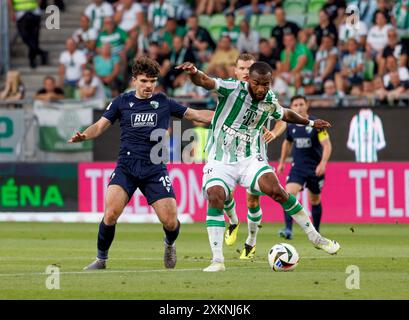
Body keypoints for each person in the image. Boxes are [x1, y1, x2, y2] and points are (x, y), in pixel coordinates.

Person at [176, 61, 341, 272]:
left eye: (266, 84)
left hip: (249, 159)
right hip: (220, 160)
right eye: (257, 83)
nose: (261, 89)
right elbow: (205, 81)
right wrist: (194, 72)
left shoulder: (269, 100)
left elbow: (285, 114)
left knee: (277, 191)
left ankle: (316, 238)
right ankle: (217, 260)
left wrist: (309, 123)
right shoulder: (232, 89)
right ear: (247, 80)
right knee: (215, 195)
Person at [69, 56, 214, 270]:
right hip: (126, 166)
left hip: (154, 168)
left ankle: (169, 243)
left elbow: (198, 115)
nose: (149, 86)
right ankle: (101, 259)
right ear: (134, 80)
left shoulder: (163, 102)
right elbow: (100, 126)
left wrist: (227, 117)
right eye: (144, 81)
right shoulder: (121, 102)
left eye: (152, 81)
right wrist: (85, 136)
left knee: (171, 222)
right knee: (110, 214)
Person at [220, 53, 287, 260]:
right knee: (224, 192)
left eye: (249, 70)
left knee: (252, 201)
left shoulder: (266, 93)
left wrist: (274, 133)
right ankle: (232, 221)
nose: (245, 73)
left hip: (254, 154)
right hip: (226, 151)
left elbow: (283, 118)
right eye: (242, 69)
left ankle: (251, 241)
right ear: (236, 70)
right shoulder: (229, 90)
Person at [277, 95, 332, 240]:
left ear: (306, 105)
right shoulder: (291, 125)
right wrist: (282, 162)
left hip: (314, 168)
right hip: (298, 168)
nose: (299, 107)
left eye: (301, 104)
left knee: (314, 200)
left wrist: (323, 163)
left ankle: (317, 232)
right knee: (288, 194)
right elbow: (287, 143)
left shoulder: (316, 124)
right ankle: (288, 229)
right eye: (295, 105)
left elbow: (327, 145)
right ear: (292, 107)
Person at [8, 0, 48, 69]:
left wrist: (37, 6)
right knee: (25, 36)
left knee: (34, 38)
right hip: (21, 14)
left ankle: (32, 60)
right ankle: (42, 53)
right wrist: (12, 12)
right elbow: (9, 1)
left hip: (34, 12)